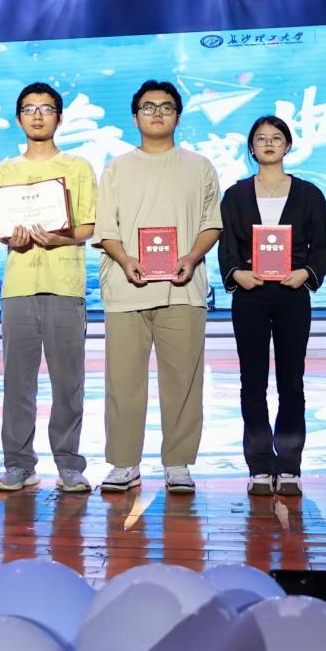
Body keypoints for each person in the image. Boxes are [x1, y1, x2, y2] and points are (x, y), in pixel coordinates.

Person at [94, 80, 222, 494]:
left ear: (178, 117)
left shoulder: (199, 166)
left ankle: (178, 463)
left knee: (183, 380)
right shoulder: (116, 167)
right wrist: (125, 259)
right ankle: (124, 463)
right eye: (148, 107)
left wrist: (191, 257)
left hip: (183, 287)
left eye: (166, 107)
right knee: (123, 381)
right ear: (135, 117)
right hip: (126, 288)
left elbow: (212, 224)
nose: (157, 113)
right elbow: (106, 229)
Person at [219, 115, 326, 497]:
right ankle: (258, 465)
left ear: (288, 145)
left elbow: (323, 247)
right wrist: (237, 274)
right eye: (261, 138)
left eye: (276, 137)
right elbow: (226, 248)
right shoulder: (235, 195)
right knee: (252, 381)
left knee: (291, 381)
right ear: (251, 148)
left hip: (291, 293)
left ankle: (289, 465)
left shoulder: (309, 194)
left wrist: (305, 273)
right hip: (250, 294)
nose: (269, 143)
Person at [0, 82, 96, 494]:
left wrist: (60, 237)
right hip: (18, 287)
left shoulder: (78, 167)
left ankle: (68, 464)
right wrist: (10, 236)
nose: (37, 115)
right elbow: (2, 228)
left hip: (65, 285)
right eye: (29, 108)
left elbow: (89, 225)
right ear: (19, 119)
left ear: (59, 117)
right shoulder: (5, 171)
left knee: (68, 382)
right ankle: (19, 464)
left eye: (46, 108)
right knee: (18, 384)